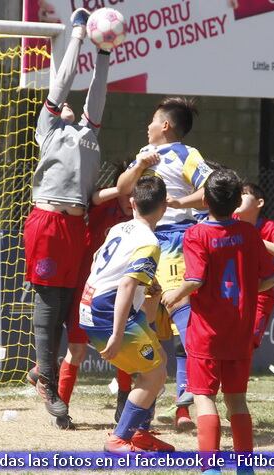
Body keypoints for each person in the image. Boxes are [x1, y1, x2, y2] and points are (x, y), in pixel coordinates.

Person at [23, 8, 112, 427]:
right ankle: (49, 387)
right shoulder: (49, 128)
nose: (71, 107)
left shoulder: (89, 134)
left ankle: (42, 370)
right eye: (63, 106)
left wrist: (105, 54)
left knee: (63, 307)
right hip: (48, 220)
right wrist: (77, 35)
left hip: (76, 225)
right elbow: (61, 83)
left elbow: (96, 95)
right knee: (47, 302)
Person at [26, 157, 160, 429]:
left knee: (123, 350)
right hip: (86, 289)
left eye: (136, 190)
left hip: (112, 296)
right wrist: (125, 186)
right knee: (75, 349)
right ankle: (60, 408)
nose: (131, 195)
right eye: (128, 188)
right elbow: (95, 197)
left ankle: (125, 401)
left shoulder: (138, 221)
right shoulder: (106, 206)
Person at [162, 169, 274, 473]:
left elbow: (196, 279)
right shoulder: (250, 233)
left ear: (204, 201)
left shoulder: (197, 234)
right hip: (239, 331)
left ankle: (211, 468)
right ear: (239, 200)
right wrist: (248, 288)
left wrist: (175, 294)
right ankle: (245, 467)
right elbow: (271, 277)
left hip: (207, 332)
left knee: (204, 397)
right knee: (236, 399)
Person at [116, 97, 214, 431]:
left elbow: (211, 191)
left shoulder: (187, 154)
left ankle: (189, 396)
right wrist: (139, 165)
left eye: (152, 121)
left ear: (166, 126)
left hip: (174, 239)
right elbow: (121, 192)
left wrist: (179, 201)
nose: (147, 126)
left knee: (181, 319)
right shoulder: (145, 155)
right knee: (145, 327)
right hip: (144, 240)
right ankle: (142, 415)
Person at [80, 176, 174, 452]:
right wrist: (117, 334)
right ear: (164, 207)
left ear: (132, 203)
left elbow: (99, 259)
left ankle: (140, 433)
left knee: (159, 362)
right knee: (154, 375)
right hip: (107, 314)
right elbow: (126, 284)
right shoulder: (150, 242)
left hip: (91, 305)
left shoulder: (119, 228)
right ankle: (119, 439)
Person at [234, 182, 274, 347]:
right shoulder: (228, 222)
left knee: (247, 343)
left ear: (259, 203)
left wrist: (255, 240)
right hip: (231, 294)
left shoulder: (270, 228)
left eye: (243, 194)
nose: (237, 198)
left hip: (260, 295)